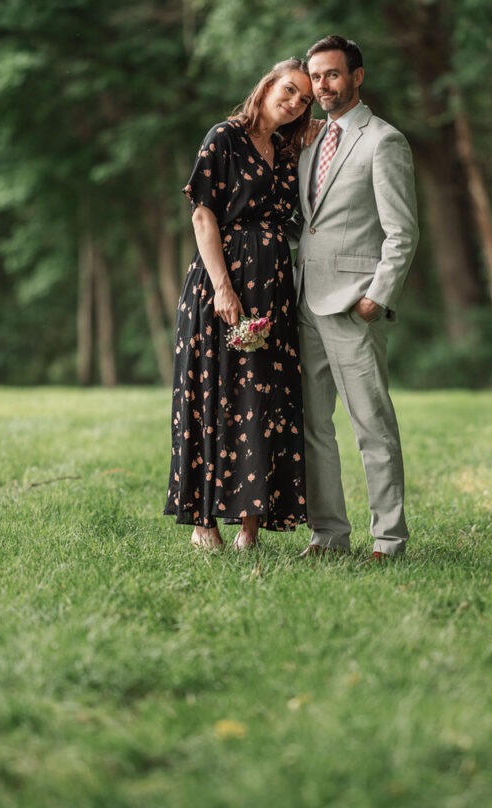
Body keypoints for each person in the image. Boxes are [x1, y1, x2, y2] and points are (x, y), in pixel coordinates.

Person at [164, 59, 314, 551]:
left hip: (272, 284)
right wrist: (224, 288)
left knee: (265, 399)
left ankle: (250, 527)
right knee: (212, 395)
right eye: (289, 90)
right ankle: (204, 522)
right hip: (219, 283)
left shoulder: (290, 148)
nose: (294, 103)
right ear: (267, 84)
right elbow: (203, 215)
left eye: (304, 100)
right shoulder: (223, 137)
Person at [295, 35, 419, 562]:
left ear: (357, 77)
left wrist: (375, 298)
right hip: (304, 303)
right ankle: (328, 535)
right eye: (316, 76)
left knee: (372, 425)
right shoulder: (307, 143)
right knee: (313, 427)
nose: (323, 85)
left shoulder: (383, 141)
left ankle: (388, 541)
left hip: (353, 305)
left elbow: (402, 232)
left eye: (333, 74)